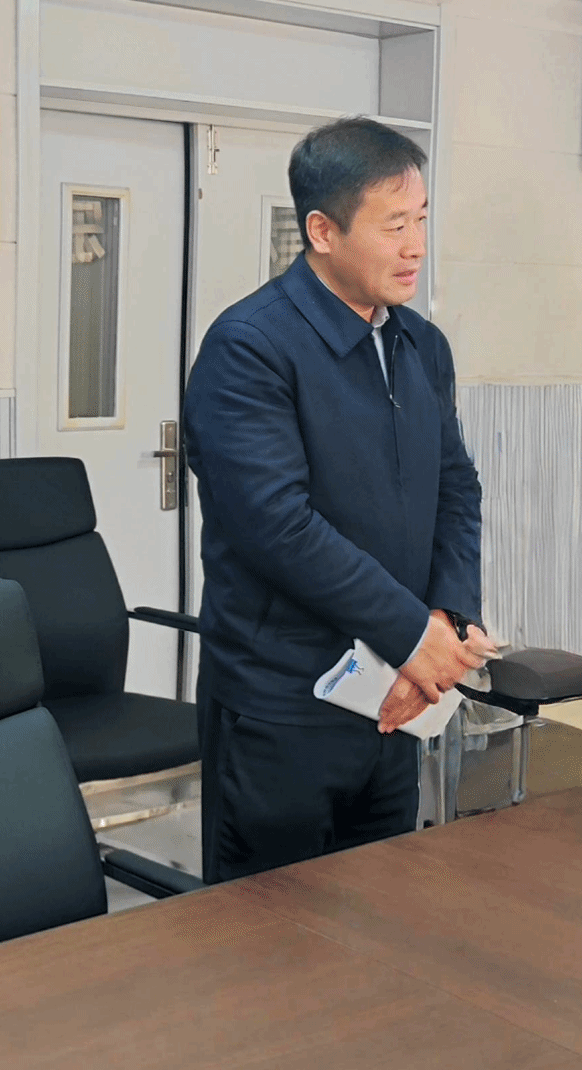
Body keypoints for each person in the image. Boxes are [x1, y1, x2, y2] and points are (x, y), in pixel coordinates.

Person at [183, 117, 494, 882]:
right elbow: (276, 527)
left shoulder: (421, 345)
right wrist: (411, 635)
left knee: (378, 909)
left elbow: (456, 489)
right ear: (322, 231)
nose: (416, 246)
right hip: (284, 704)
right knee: (265, 927)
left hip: (397, 697)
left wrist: (447, 624)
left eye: (421, 220)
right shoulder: (249, 346)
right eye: (394, 226)